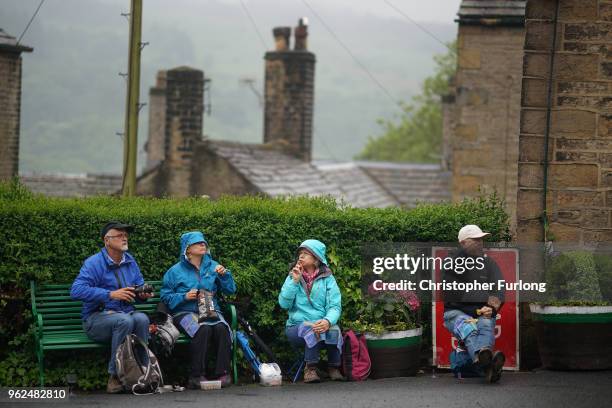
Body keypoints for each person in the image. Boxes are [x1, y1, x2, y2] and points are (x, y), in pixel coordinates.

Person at [71, 221, 154, 394]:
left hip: (125, 315)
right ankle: (115, 376)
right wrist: (109, 294)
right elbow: (76, 290)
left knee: (141, 318)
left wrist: (142, 295)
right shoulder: (94, 263)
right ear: (107, 240)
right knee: (124, 321)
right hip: (96, 320)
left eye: (125, 235)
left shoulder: (130, 261)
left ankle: (144, 372)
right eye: (119, 235)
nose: (124, 238)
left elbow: (137, 289)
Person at [160, 231, 236, 389]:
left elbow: (230, 290)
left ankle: (223, 373)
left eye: (204, 242)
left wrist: (225, 276)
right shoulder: (174, 271)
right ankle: (196, 376)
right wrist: (184, 296)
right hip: (184, 312)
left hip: (209, 308)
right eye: (198, 243)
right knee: (202, 329)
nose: (203, 244)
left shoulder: (214, 266)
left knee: (222, 328)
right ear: (187, 249)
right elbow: (165, 298)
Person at [443, 224, 506, 383]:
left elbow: (499, 290)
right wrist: (478, 309)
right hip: (455, 313)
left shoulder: (489, 264)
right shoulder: (451, 263)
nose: (480, 242)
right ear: (463, 243)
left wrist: (490, 308)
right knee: (469, 328)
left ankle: (486, 366)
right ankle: (488, 366)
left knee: (485, 324)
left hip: (482, 311)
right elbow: (453, 296)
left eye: (482, 239)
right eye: (475, 239)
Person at [278, 239, 343, 383]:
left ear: (316, 259)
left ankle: (334, 368)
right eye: (300, 253)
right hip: (296, 327)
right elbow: (283, 304)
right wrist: (294, 282)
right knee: (311, 329)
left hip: (321, 323)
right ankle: (310, 369)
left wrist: (327, 321)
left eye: (305, 254)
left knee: (335, 330)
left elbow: (335, 306)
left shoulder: (328, 278)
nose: (300, 256)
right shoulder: (292, 276)